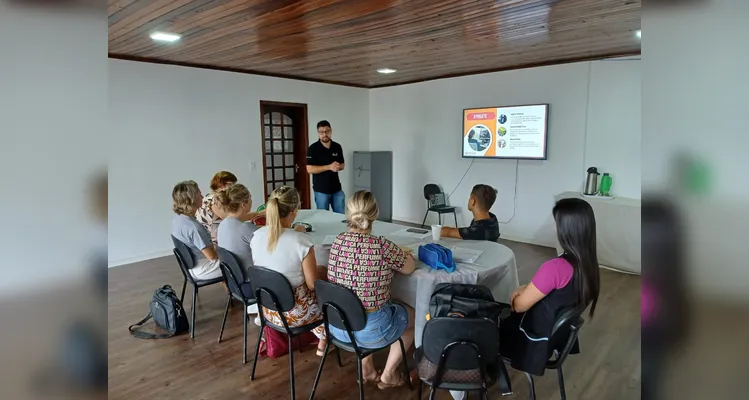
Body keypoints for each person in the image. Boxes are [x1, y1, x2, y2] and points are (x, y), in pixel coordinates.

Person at [499, 198, 601, 376]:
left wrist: (517, 293)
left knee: (487, 315)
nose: (554, 227)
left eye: (556, 223)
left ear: (565, 228)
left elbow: (519, 306)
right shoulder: (589, 265)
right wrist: (527, 288)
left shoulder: (555, 268)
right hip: (555, 338)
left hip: (532, 340)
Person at [327, 190, 417, 389]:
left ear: (348, 215)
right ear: (375, 214)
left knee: (364, 305)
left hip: (338, 327)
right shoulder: (381, 246)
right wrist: (400, 252)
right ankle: (389, 374)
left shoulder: (337, 242)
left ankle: (367, 367)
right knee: (414, 318)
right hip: (370, 331)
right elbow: (409, 267)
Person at [250, 186, 328, 355]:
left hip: (267, 310)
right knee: (327, 283)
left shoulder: (257, 236)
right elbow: (313, 285)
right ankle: (324, 339)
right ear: (294, 210)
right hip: (294, 314)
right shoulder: (301, 241)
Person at [171, 180, 223, 280]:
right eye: (199, 194)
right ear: (192, 199)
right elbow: (212, 256)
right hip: (204, 268)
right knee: (241, 259)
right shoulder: (193, 227)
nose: (203, 197)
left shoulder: (178, 220)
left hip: (191, 267)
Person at [306, 120, 345, 213]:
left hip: (337, 189)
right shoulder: (313, 148)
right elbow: (310, 169)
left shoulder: (337, 146)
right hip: (321, 190)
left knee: (341, 217)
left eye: (327, 131)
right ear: (318, 133)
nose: (325, 134)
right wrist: (329, 167)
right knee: (323, 216)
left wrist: (338, 166)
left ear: (331, 131)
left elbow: (342, 165)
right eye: (321, 132)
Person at [215, 183, 257, 272]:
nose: (251, 201)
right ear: (243, 204)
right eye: (250, 198)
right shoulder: (245, 228)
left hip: (234, 277)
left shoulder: (222, 225)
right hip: (251, 278)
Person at [196, 171, 237, 244]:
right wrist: (257, 214)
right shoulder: (214, 200)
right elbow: (231, 219)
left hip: (206, 238)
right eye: (231, 184)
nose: (234, 188)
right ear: (221, 185)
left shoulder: (209, 196)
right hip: (214, 242)